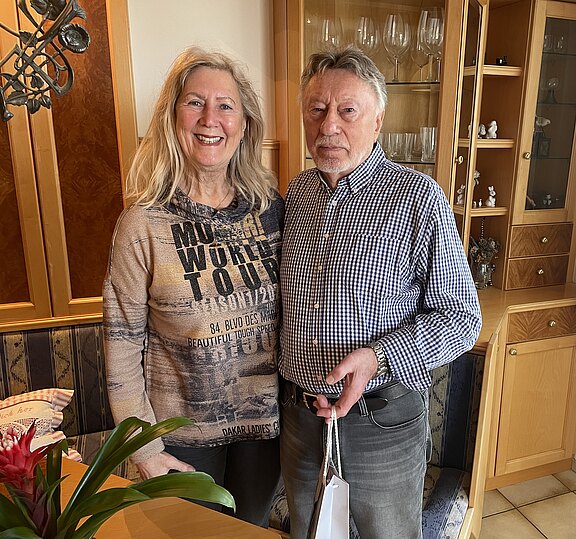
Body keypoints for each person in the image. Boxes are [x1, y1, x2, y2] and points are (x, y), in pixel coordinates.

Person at [279, 46, 482, 539]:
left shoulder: (418, 197)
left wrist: (379, 357)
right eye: (316, 109)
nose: (329, 126)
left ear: (378, 120)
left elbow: (462, 318)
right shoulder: (297, 194)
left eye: (348, 110)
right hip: (302, 420)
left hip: (382, 422)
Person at [103, 46, 284, 527]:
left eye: (225, 105)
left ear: (243, 124)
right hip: (180, 440)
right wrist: (143, 448)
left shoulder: (272, 210)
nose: (210, 119)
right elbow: (121, 346)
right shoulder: (142, 224)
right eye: (195, 102)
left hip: (264, 432)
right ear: (172, 117)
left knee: (249, 533)